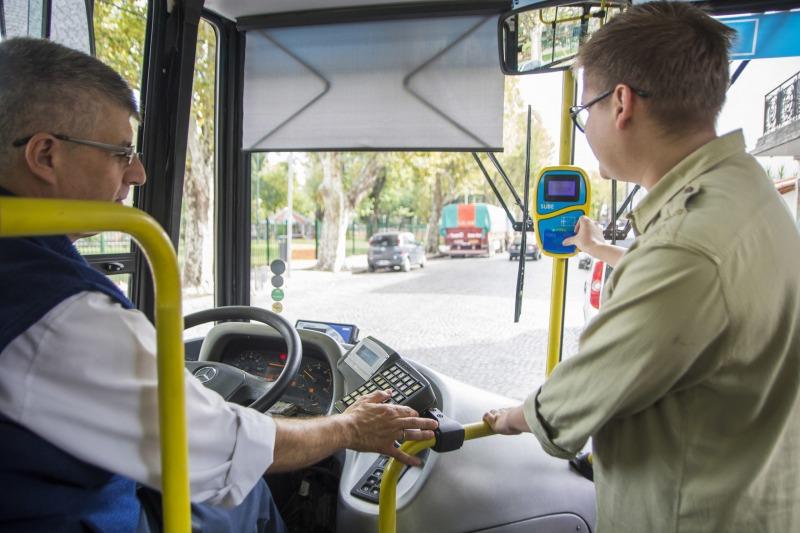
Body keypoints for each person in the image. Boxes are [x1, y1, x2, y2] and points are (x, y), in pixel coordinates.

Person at [0, 37, 437, 532]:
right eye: (122, 152)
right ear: (45, 156)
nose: (139, 173)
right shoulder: (60, 314)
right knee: (243, 493)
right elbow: (222, 446)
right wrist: (349, 426)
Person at [484, 2, 800, 532]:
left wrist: (514, 418)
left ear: (622, 103)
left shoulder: (687, 246)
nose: (586, 126)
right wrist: (597, 250)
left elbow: (576, 398)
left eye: (585, 112)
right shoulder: (746, 194)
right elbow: (689, 295)